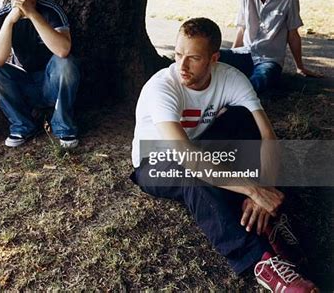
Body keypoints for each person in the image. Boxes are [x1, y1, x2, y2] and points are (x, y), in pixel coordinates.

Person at [131, 17, 318, 292]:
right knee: (192, 175)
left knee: (243, 118)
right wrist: (252, 189)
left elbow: (267, 136)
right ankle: (260, 261)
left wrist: (265, 187)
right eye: (178, 54)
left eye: (193, 58)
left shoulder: (230, 78)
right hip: (155, 162)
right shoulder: (162, 86)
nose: (181, 65)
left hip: (199, 146)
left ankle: (264, 217)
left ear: (214, 58)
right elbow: (186, 156)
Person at [0, 0, 79, 149]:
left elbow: (63, 50)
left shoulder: (51, 10)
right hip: (23, 84)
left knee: (66, 63)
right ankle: (22, 125)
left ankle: (63, 127)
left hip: (51, 80)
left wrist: (33, 15)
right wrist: (11, 21)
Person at [219, 0, 322, 94]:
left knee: (261, 79)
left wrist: (300, 67)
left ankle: (235, 99)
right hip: (245, 53)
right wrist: (233, 55)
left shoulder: (289, 0)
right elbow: (241, 30)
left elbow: (293, 34)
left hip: (269, 60)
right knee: (210, 55)